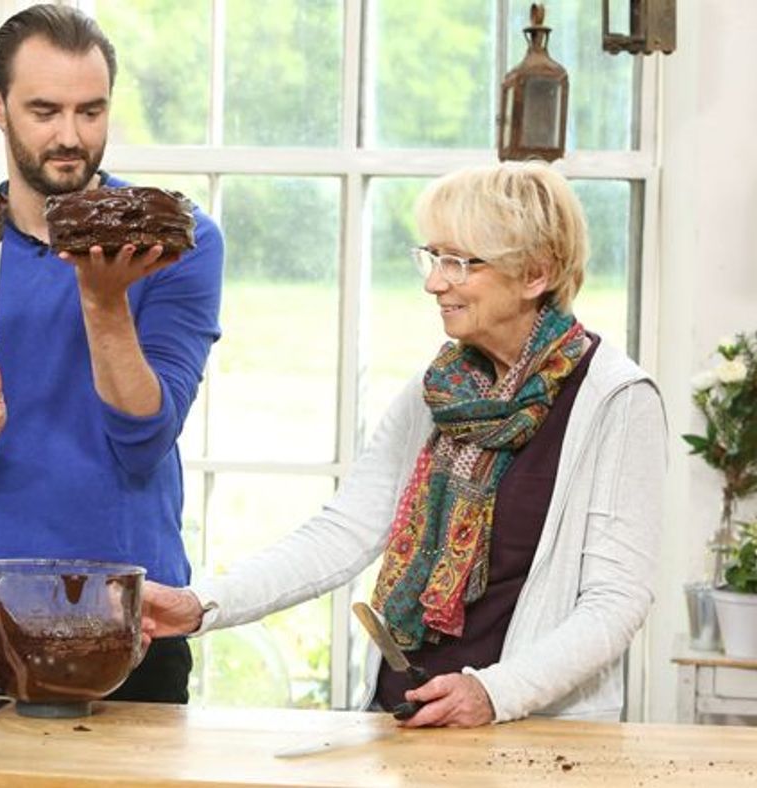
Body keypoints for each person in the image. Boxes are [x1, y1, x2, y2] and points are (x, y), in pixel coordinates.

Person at [142, 162, 664, 726]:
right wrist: (201, 605)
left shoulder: (616, 399)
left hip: (529, 738)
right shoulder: (439, 391)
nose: (434, 282)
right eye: (434, 256)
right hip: (405, 719)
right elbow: (343, 533)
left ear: (535, 274)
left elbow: (615, 603)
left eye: (460, 263)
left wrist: (495, 693)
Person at [0, 4, 224, 703]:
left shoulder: (174, 244)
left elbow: (145, 438)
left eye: (91, 112)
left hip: (128, 625)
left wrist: (104, 298)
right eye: (45, 110)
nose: (70, 136)